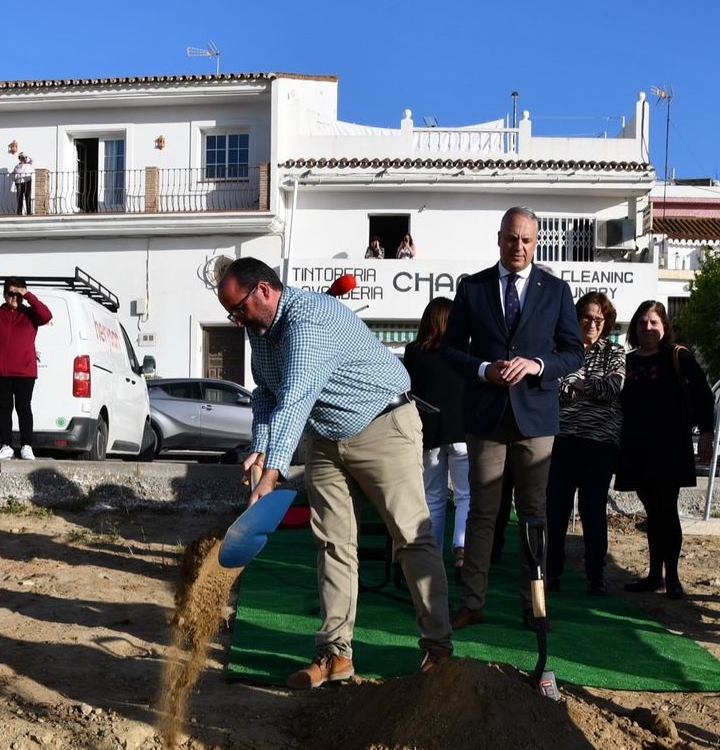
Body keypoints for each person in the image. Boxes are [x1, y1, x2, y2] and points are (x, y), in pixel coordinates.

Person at [216, 257, 452, 689]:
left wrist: (272, 476)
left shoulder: (310, 320)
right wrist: (261, 449)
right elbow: (267, 394)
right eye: (230, 313)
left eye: (239, 309)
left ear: (264, 290)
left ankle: (438, 649)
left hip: (384, 425)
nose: (236, 320)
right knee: (332, 543)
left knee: (410, 536)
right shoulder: (260, 331)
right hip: (327, 437)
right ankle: (335, 654)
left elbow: (296, 394)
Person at [442, 207, 583, 630]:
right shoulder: (473, 288)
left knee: (534, 513)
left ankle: (534, 604)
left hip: (537, 418)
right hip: (486, 415)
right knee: (482, 512)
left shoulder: (556, 291)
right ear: (499, 238)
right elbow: (450, 350)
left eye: (526, 239)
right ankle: (472, 602)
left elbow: (573, 351)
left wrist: (538, 365)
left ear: (536, 242)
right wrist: (485, 369)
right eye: (511, 238)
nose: (517, 246)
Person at [613, 300, 714, 597]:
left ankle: (673, 578)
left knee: (667, 511)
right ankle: (654, 574)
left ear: (665, 326)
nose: (648, 328)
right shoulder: (628, 360)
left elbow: (703, 395)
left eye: (654, 322)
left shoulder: (677, 356)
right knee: (653, 512)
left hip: (670, 448)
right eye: (643, 322)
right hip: (637, 448)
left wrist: (707, 433)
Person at [545, 291, 626, 595]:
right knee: (556, 510)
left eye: (598, 319)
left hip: (600, 443)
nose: (592, 324)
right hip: (561, 440)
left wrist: (576, 384)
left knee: (593, 511)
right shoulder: (561, 351)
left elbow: (613, 386)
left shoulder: (614, 352)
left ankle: (596, 575)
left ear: (606, 323)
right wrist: (584, 388)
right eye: (586, 317)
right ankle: (552, 571)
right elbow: (552, 387)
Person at [403, 297, 469, 574]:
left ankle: (431, 558)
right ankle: (462, 551)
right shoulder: (465, 352)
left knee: (433, 497)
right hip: (463, 432)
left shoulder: (414, 351)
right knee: (466, 495)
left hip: (428, 433)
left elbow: (408, 391)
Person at [0, 278, 51, 460]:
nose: (14, 297)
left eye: (17, 294)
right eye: (10, 293)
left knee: (23, 408)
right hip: (1, 372)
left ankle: (26, 445)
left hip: (24, 372)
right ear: (4, 294)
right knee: (4, 409)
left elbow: (46, 315)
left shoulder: (30, 314)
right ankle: (6, 445)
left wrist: (27, 295)